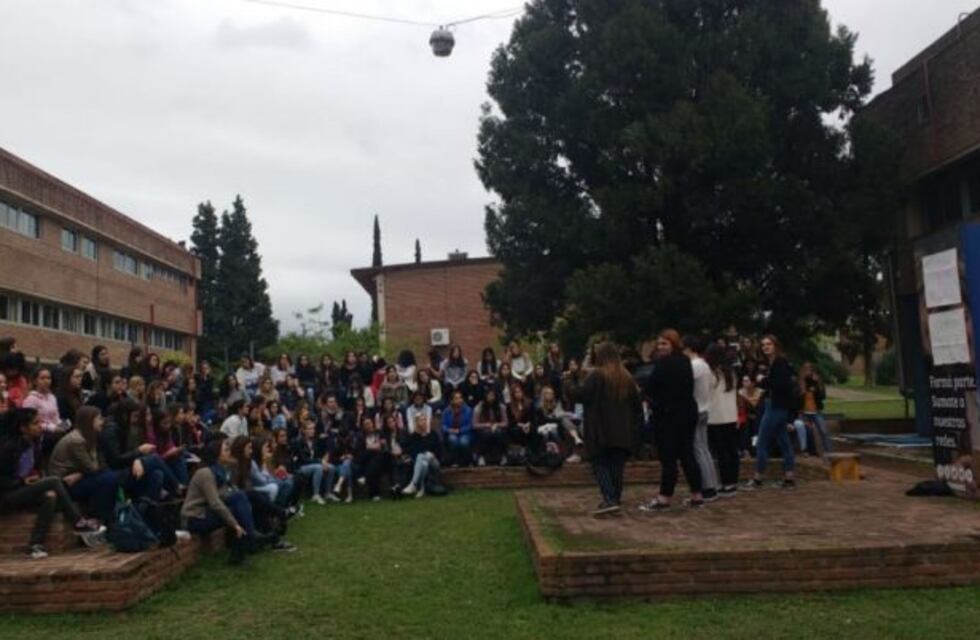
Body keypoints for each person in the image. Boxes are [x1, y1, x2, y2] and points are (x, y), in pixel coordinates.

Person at [0, 408, 104, 559]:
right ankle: (78, 522)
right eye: (35, 423)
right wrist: (21, 481)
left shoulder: (34, 443)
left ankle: (35, 544)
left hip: (22, 489)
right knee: (54, 481)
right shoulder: (9, 447)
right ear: (23, 428)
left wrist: (34, 478)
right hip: (7, 494)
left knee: (50, 496)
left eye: (40, 422)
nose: (40, 426)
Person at [564, 342, 642, 516]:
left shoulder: (597, 375)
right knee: (616, 466)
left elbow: (579, 395)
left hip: (601, 430)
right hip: (622, 431)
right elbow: (637, 406)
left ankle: (610, 499)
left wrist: (568, 380)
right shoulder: (626, 377)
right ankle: (615, 498)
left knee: (600, 464)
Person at [180, 438, 274, 565]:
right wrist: (234, 524)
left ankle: (244, 547)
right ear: (216, 454)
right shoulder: (205, 473)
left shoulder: (221, 471)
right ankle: (250, 539)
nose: (229, 453)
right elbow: (215, 502)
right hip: (195, 517)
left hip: (207, 512)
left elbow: (225, 494)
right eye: (225, 450)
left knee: (239, 499)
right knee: (235, 509)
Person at [639, 330, 703, 512]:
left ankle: (664, 498)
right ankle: (697, 495)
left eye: (664, 344)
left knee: (668, 458)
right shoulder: (685, 361)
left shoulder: (663, 364)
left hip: (669, 416)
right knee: (687, 454)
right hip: (687, 413)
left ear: (673, 344)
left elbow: (650, 388)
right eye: (659, 344)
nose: (661, 348)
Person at [48, 406, 122, 525]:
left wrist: (80, 474)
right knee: (110, 479)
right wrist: (84, 473)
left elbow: (100, 464)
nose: (102, 422)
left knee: (110, 476)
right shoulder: (77, 440)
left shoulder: (89, 436)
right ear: (89, 421)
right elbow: (92, 467)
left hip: (77, 477)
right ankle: (98, 519)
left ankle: (106, 518)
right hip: (64, 483)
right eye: (99, 419)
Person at [99, 399, 182, 502]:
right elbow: (115, 460)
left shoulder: (125, 428)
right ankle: (177, 486)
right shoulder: (111, 431)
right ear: (125, 415)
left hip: (127, 466)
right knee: (155, 459)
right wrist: (139, 452)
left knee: (157, 474)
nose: (135, 420)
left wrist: (137, 459)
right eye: (134, 416)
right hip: (116, 472)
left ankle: (147, 508)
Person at [743, 334, 797, 490]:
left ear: (776, 346)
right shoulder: (773, 363)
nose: (765, 347)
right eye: (763, 344)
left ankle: (758, 478)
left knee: (761, 443)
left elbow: (779, 385)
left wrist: (762, 380)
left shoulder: (779, 362)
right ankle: (789, 478)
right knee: (784, 442)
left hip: (775, 407)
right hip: (775, 406)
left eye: (769, 344)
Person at [683, 335, 719, 501]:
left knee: (698, 449)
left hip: (696, 409)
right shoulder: (705, 365)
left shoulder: (694, 365)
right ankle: (712, 484)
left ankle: (707, 487)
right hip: (704, 408)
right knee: (704, 449)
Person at [705, 343, 740, 496]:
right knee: (731, 450)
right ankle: (732, 482)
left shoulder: (712, 374)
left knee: (721, 452)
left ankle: (725, 482)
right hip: (731, 416)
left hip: (715, 417)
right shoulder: (731, 373)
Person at [290, 419, 335, 505]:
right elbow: (304, 460)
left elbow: (318, 455)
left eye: (313, 429)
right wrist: (320, 461)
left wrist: (323, 461)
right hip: (301, 466)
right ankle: (315, 494)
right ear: (304, 430)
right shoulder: (298, 442)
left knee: (331, 467)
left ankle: (328, 493)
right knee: (318, 468)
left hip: (312, 464)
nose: (312, 431)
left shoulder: (315, 441)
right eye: (309, 429)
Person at [401, 413, 443, 498]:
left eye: (424, 420)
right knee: (423, 462)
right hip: (421, 463)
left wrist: (432, 454)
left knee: (423, 456)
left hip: (434, 461)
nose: (423, 422)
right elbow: (410, 453)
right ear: (416, 423)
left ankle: (414, 484)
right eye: (421, 420)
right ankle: (422, 489)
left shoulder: (433, 434)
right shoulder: (412, 437)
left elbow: (439, 451)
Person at [795, 362, 832, 454]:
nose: (808, 371)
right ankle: (806, 451)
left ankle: (829, 452)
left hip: (816, 411)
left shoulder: (816, 381)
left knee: (824, 432)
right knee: (806, 431)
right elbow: (795, 398)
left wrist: (817, 384)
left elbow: (823, 396)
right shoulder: (798, 382)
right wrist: (802, 389)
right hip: (803, 412)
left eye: (810, 369)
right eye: (806, 369)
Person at [355, 416, 390, 501]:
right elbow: (361, 452)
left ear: (373, 424)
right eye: (366, 424)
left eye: (369, 423)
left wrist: (370, 447)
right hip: (368, 461)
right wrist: (374, 447)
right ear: (363, 426)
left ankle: (364, 478)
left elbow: (383, 446)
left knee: (376, 459)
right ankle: (375, 494)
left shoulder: (379, 432)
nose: (368, 426)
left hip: (381, 460)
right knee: (372, 464)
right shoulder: (361, 437)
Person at [473, 387, 509, 466]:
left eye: (492, 395)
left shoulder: (501, 407)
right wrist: (486, 425)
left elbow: (506, 422)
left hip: (497, 428)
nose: (491, 397)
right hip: (483, 428)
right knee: (486, 434)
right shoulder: (479, 407)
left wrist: (497, 424)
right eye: (489, 395)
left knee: (499, 433)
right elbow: (474, 424)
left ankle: (502, 456)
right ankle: (482, 457)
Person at [22, 368, 63, 434]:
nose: (46, 381)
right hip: (41, 432)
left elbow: (56, 417)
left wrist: (61, 425)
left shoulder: (52, 397)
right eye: (42, 378)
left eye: (48, 378)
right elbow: (30, 422)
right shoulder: (31, 399)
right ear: (35, 381)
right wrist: (51, 428)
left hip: (55, 430)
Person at [441, 390, 474, 467]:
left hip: (465, 432)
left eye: (460, 398)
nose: (458, 400)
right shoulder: (447, 411)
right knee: (453, 440)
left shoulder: (468, 410)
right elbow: (443, 425)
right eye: (456, 398)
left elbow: (470, 425)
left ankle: (467, 461)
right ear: (452, 400)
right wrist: (449, 430)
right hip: (451, 432)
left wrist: (459, 430)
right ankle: (454, 461)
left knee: (464, 442)